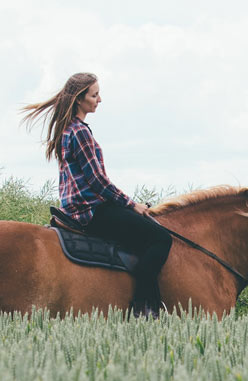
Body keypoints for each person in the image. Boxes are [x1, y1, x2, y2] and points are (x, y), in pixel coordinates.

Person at [20, 72, 172, 314]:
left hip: (80, 206)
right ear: (80, 99)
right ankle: (142, 304)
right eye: (94, 95)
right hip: (90, 210)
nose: (99, 99)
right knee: (161, 239)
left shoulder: (69, 129)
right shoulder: (79, 132)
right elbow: (98, 182)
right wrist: (132, 205)